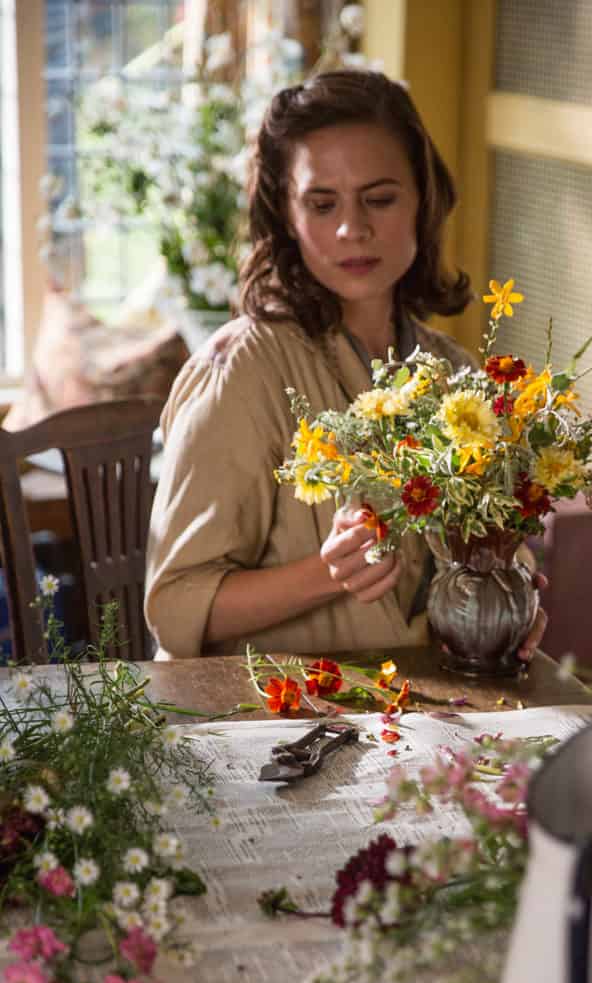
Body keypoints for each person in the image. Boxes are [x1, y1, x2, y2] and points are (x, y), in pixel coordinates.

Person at [144, 70, 546, 662]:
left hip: (433, 719)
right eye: (321, 202)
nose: (351, 229)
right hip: (278, 729)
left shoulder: (456, 372)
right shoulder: (240, 371)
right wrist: (326, 572)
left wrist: (513, 599)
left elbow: (491, 546)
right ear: (286, 215)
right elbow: (174, 608)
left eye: (380, 199)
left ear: (423, 201)